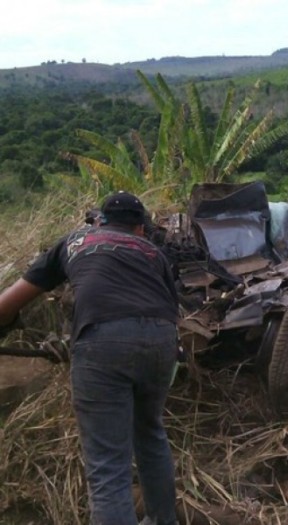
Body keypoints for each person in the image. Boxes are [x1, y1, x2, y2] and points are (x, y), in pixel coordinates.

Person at [0, 191, 180, 525]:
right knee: (151, 433)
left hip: (102, 339)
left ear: (99, 221)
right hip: (161, 340)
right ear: (140, 228)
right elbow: (172, 308)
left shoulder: (76, 239)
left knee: (109, 465)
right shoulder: (154, 252)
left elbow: (8, 303)